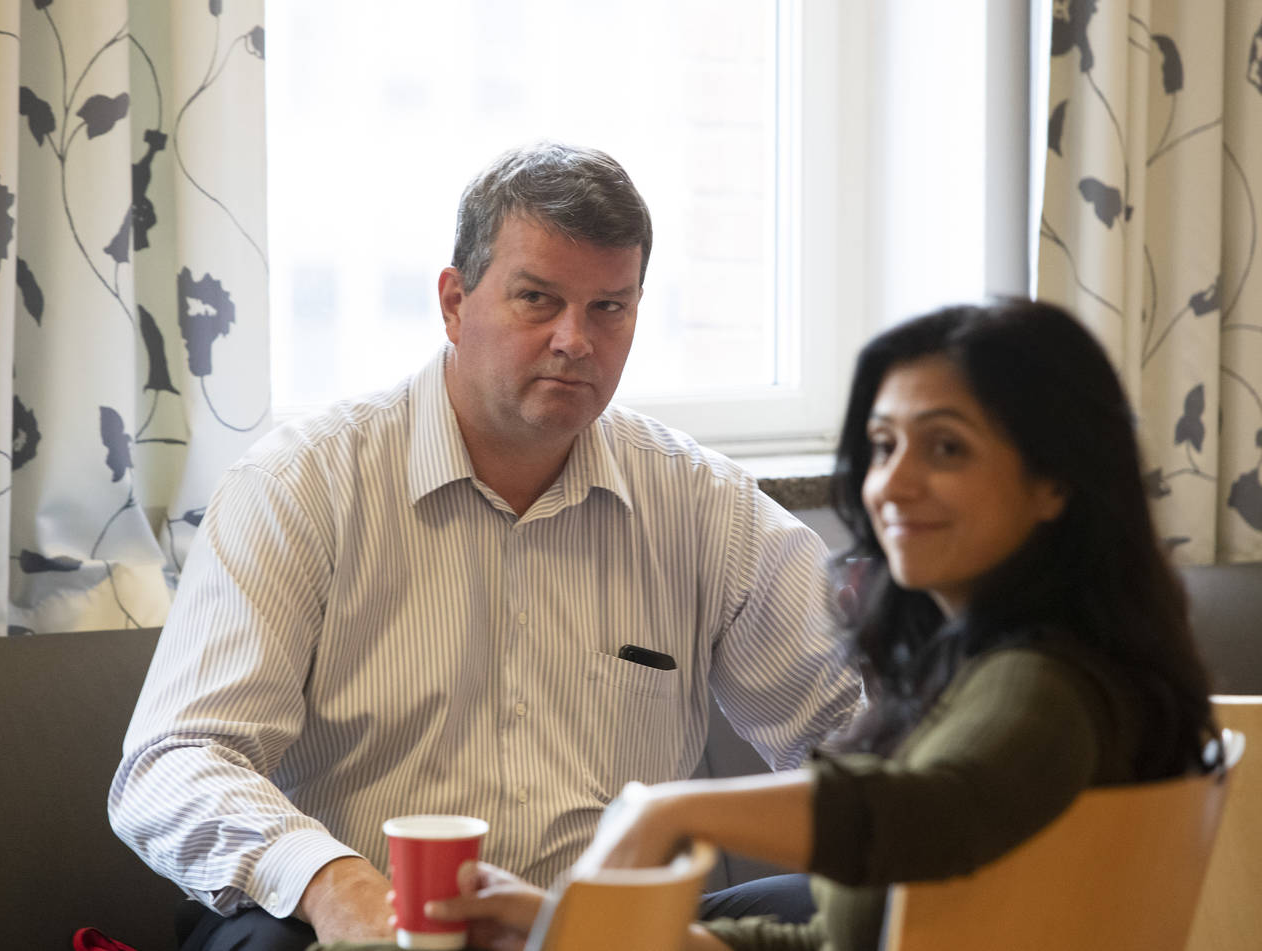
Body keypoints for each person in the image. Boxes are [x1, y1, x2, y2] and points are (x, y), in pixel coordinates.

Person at [108, 142, 863, 950]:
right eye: (537, 298)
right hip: (366, 922)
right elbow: (175, 760)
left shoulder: (703, 506)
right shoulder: (301, 486)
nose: (575, 339)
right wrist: (333, 882)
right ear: (454, 301)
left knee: (836, 904)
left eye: (609, 307)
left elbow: (860, 738)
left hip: (600, 933)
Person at [411, 298, 1217, 951]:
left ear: (1055, 483)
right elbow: (834, 938)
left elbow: (930, 811)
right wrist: (571, 919)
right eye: (882, 443)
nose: (891, 484)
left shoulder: (1046, 682)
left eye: (945, 448)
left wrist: (672, 810)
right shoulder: (983, 671)